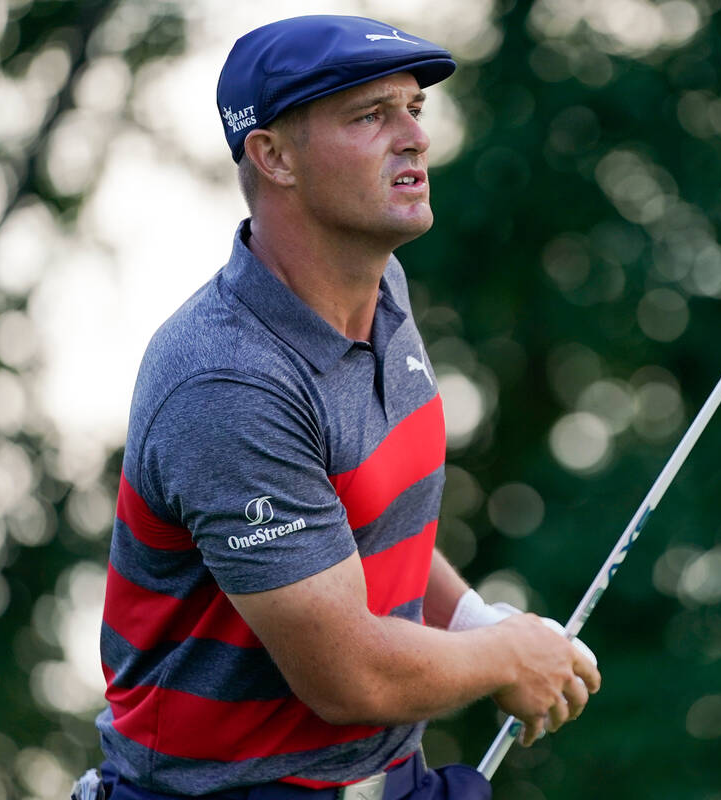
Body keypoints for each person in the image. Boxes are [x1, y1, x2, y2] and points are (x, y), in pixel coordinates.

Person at [91, 14, 600, 800]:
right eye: (370, 115)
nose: (414, 138)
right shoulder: (227, 382)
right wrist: (506, 658)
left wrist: (470, 619)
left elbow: (362, 522)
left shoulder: (380, 290)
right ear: (273, 156)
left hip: (391, 778)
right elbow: (348, 674)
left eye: (414, 110)